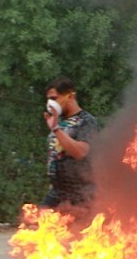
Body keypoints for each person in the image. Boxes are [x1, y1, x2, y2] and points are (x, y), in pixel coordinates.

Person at [41, 77, 99, 213]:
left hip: (80, 195)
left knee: (76, 234)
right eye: (49, 99)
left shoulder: (86, 121)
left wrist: (56, 129)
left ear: (70, 96)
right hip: (57, 193)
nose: (50, 104)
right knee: (35, 228)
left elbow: (81, 152)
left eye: (54, 98)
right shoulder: (58, 121)